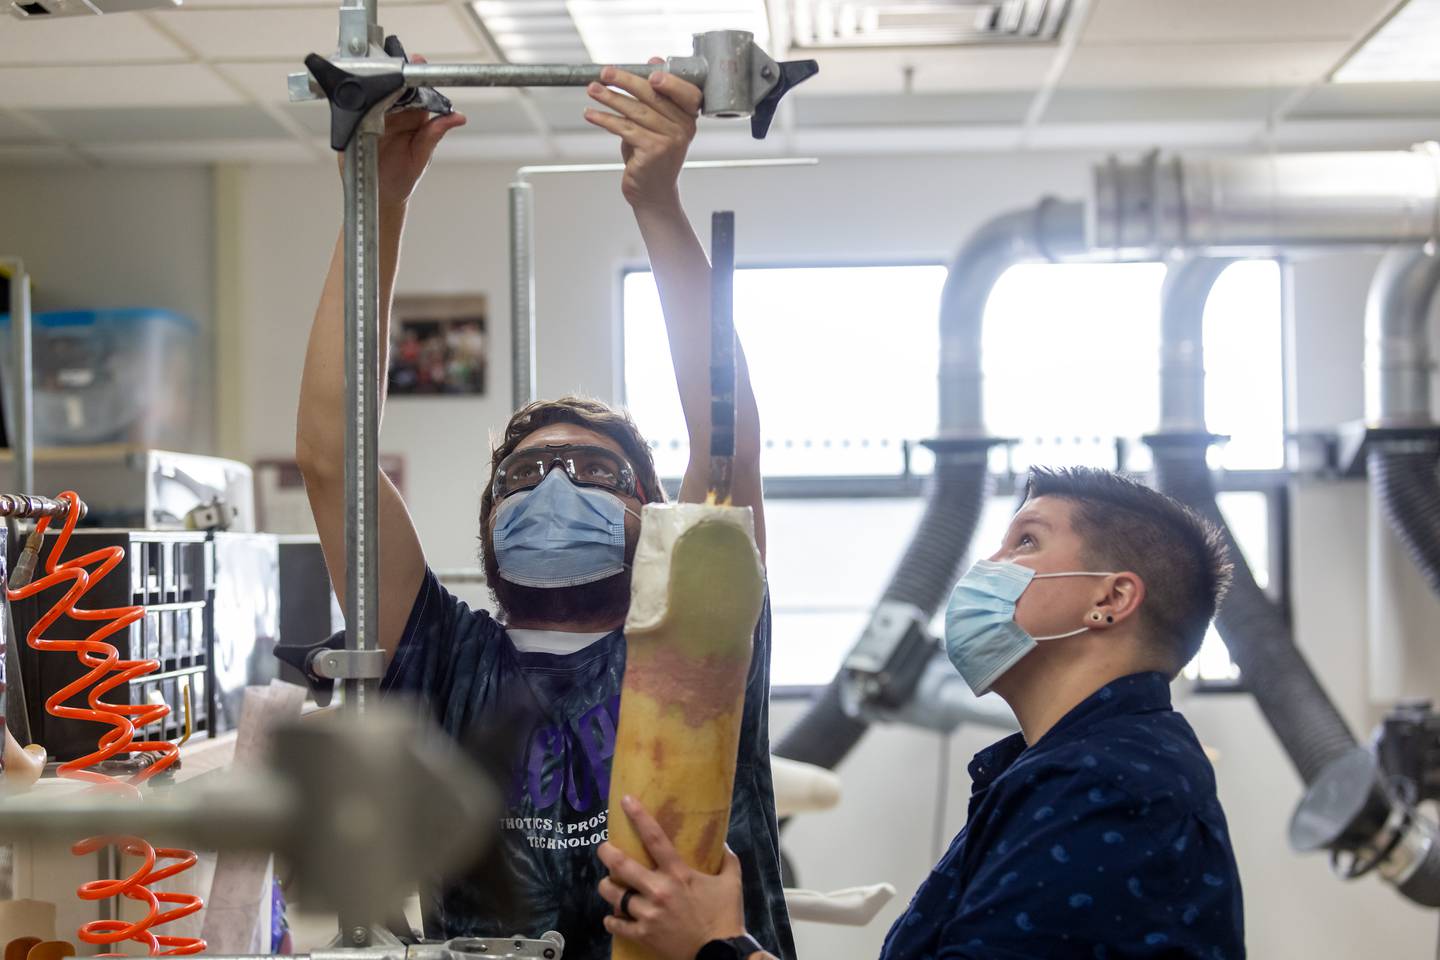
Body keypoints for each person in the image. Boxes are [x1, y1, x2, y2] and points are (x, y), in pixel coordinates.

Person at [295, 62, 794, 960]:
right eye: (522, 477)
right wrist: (376, 203)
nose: (553, 488)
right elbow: (334, 462)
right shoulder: (444, 657)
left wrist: (657, 203)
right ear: (486, 522)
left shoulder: (697, 637)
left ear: (653, 511)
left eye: (593, 471)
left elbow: (726, 446)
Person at [594, 467, 1246, 960]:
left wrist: (716, 943)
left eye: (1025, 541)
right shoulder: (1065, 774)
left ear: (1111, 597)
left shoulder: (1109, 787)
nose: (986, 566)